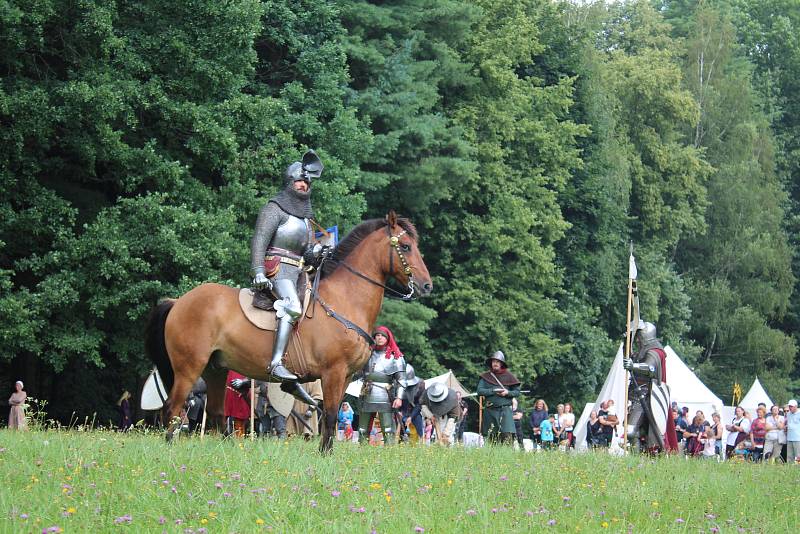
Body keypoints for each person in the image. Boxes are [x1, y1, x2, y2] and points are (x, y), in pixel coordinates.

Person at [250, 150, 325, 381]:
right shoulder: (274, 208)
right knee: (292, 306)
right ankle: (275, 363)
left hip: (298, 271)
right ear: (290, 182)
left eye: (307, 182)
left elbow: (308, 255)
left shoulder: (306, 219)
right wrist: (258, 271)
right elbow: (259, 240)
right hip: (276, 267)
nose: (304, 185)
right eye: (300, 181)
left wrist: (319, 252)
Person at [623, 321, 678, 453]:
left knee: (631, 431)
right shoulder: (643, 351)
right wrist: (626, 341)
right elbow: (628, 358)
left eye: (638, 336)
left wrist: (633, 366)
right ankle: (638, 458)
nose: (637, 340)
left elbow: (650, 367)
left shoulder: (655, 351)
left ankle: (645, 457)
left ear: (644, 336)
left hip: (646, 395)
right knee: (636, 432)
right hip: (637, 394)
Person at [356, 326, 407, 446]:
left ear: (387, 338)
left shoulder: (396, 357)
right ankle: (362, 449)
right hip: (366, 391)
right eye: (377, 335)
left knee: (388, 428)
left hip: (385, 393)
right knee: (363, 427)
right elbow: (357, 372)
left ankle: (389, 453)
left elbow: (402, 380)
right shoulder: (367, 353)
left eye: (382, 336)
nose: (379, 338)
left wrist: (399, 398)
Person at [476, 351, 521, 444]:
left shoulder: (509, 376)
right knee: (490, 439)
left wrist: (507, 392)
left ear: (501, 363)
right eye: (493, 361)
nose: (495, 363)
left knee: (507, 438)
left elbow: (517, 392)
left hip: (505, 412)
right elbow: (479, 391)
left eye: (497, 361)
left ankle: (507, 458)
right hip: (490, 411)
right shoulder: (486, 377)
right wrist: (492, 390)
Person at [398, 364, 425, 444]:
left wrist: (411, 417)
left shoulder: (420, 385)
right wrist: (399, 411)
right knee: (400, 436)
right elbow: (396, 400)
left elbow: (419, 404)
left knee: (419, 432)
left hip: (415, 413)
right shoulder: (398, 384)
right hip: (402, 412)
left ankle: (419, 446)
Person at [224, 371, 252, 437]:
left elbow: (254, 379)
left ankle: (239, 444)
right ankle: (215, 443)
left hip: (241, 394)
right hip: (225, 394)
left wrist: (244, 381)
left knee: (239, 423)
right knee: (219, 420)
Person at [786, 399, 800, 463]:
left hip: (798, 438)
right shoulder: (788, 414)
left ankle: (798, 468)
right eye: (789, 406)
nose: (790, 408)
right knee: (789, 456)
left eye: (791, 406)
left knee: (798, 456)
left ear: (796, 406)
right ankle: (789, 469)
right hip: (789, 438)